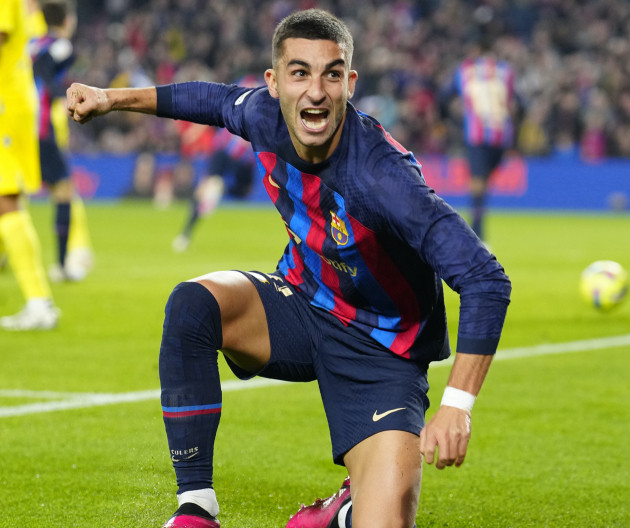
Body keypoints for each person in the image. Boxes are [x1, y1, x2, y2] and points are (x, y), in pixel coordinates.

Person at [67, 9, 511, 528]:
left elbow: (484, 278)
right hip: (300, 303)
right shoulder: (263, 115)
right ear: (274, 84)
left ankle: (344, 511)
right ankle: (196, 508)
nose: (316, 91)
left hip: (382, 350)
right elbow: (206, 100)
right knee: (193, 303)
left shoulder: (382, 177)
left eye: (332, 73)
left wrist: (457, 404)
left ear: (350, 82)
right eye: (299, 73)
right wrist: (110, 98)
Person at [0, 0, 60, 331]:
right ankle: (39, 302)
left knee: (5, 200)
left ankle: (39, 303)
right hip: (15, 101)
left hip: (6, 105)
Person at [30, 0, 94, 282]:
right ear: (67, 20)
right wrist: (63, 94)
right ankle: (61, 265)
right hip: (41, 126)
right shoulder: (61, 45)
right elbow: (44, 77)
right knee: (64, 191)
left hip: (18, 125)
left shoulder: (32, 43)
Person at [173, 75, 260, 252]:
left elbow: (214, 113)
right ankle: (187, 232)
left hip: (228, 155)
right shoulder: (260, 99)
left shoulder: (239, 97)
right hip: (237, 158)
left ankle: (186, 233)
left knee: (208, 190)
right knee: (223, 189)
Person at [452, 40, 517, 241]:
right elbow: (517, 102)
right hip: (501, 135)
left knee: (478, 182)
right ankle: (478, 228)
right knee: (483, 181)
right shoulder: (506, 72)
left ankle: (477, 228)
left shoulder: (465, 71)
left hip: (476, 134)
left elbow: (446, 95)